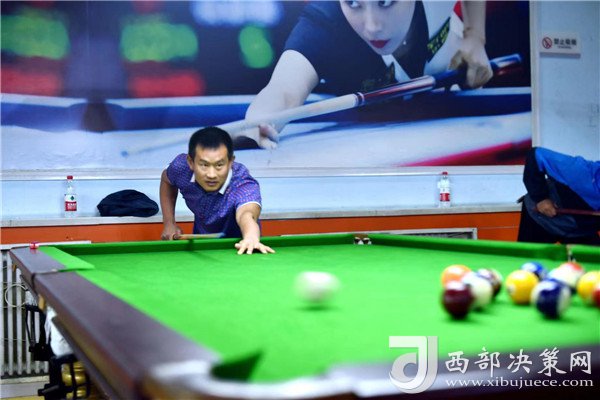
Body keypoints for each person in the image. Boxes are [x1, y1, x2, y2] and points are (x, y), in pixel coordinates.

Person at [239, 0, 493, 149]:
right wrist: (258, 123)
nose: (372, 27)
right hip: (371, 142)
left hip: (455, 117)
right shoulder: (324, 26)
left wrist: (475, 36)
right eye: (353, 3)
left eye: (385, 2)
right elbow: (283, 91)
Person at [160, 126, 275, 254]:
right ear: (191, 162)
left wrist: (251, 237)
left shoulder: (242, 183)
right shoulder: (181, 168)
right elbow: (166, 180)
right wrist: (169, 223)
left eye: (219, 165)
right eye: (204, 165)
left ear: (230, 162)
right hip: (202, 248)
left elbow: (246, 214)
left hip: (240, 248)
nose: (211, 174)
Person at [517, 147, 600, 245]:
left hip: (579, 230)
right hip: (540, 218)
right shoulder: (582, 172)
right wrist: (541, 198)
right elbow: (535, 154)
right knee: (527, 254)